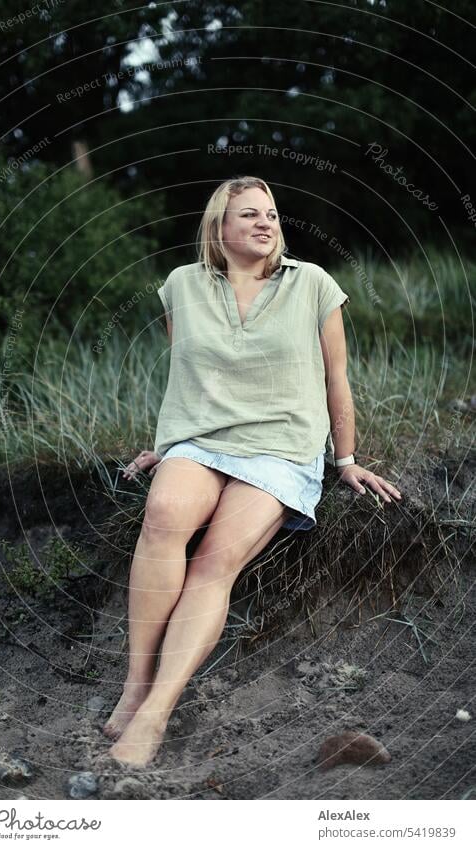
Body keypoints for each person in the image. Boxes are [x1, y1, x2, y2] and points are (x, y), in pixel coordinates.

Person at [101, 176, 402, 767]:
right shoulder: (182, 286)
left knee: (214, 561)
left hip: (280, 448)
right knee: (162, 515)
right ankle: (135, 683)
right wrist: (167, 446)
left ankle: (157, 711)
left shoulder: (312, 282)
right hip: (200, 442)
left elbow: (335, 376)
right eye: (248, 215)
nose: (265, 223)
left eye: (270, 214)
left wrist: (345, 459)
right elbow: (185, 372)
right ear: (219, 227)